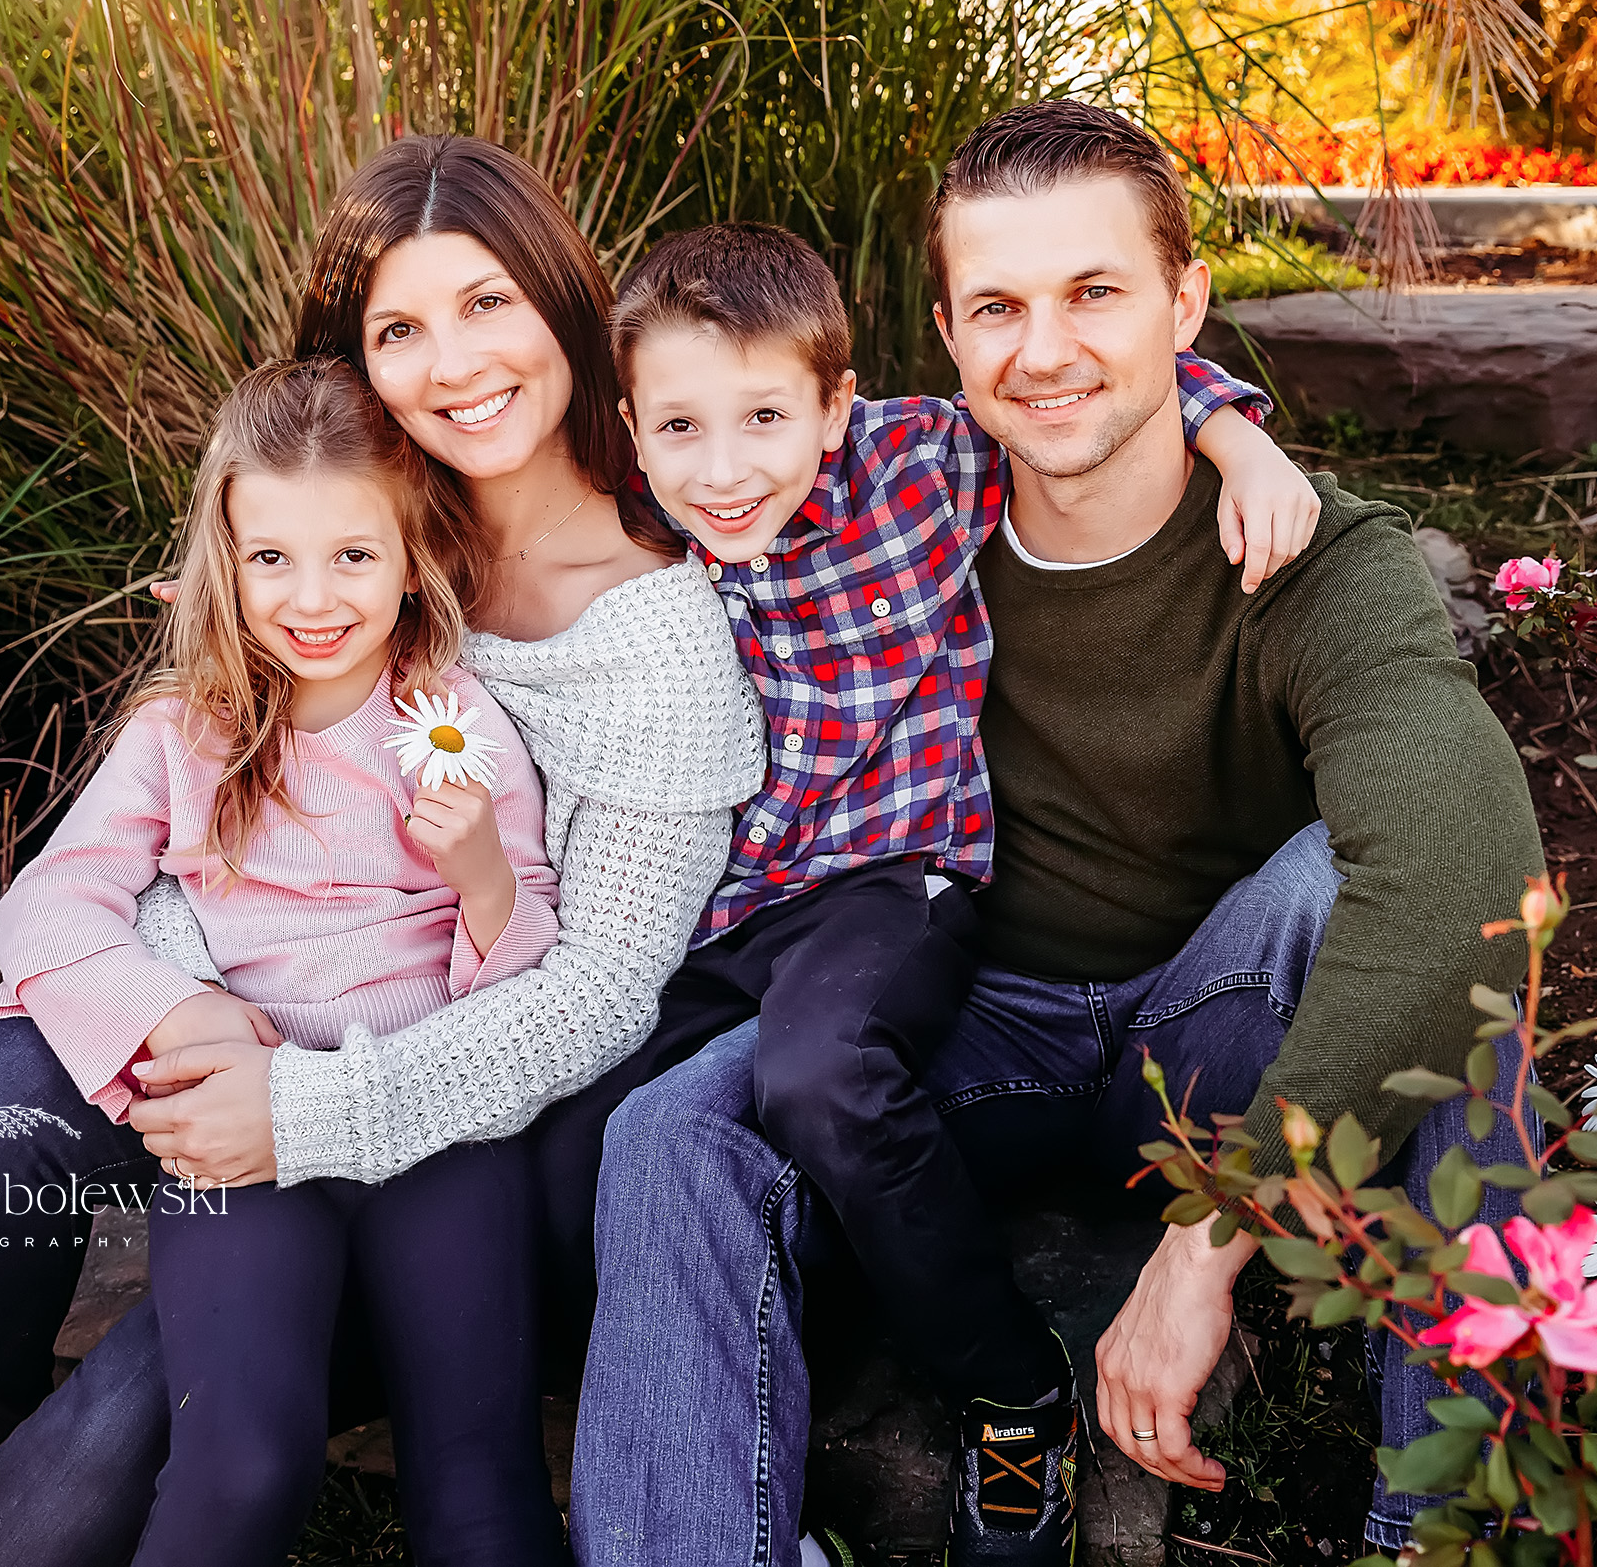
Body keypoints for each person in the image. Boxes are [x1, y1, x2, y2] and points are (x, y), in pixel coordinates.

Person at [570, 100, 1546, 1566]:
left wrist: (1215, 1229)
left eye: (1095, 292)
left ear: (1185, 303)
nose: (1046, 349)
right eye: (998, 308)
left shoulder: (1310, 554)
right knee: (672, 1131)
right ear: (949, 344)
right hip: (974, 1038)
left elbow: (1478, 869)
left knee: (1429, 920)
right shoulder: (882, 505)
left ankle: (1448, 1537)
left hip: (1220, 1037)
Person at [0, 135, 765, 1566]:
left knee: (170, 1415)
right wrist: (204, 1019)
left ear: (565, 307)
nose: (453, 360)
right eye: (399, 328)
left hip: (455, 1112)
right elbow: (176, 835)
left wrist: (300, 1102)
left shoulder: (654, 635)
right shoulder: (323, 538)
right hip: (226, 1044)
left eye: (488, 304)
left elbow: (586, 991)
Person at [605, 219, 1317, 1560]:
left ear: (835, 407)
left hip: (894, 879)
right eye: (680, 427)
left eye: (763, 416)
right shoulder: (639, 526)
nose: (722, 466)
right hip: (734, 906)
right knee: (606, 1118)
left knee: (820, 1077)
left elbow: (1095, 405)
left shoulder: (915, 463)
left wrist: (1243, 438)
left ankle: (1008, 1385)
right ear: (634, 433)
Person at [0, 356, 568, 1565]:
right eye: (272, 559)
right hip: (245, 1145)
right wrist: (175, 1015)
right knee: (242, 1465)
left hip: (430, 1132)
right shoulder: (185, 728)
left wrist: (479, 877)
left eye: (353, 555)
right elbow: (48, 907)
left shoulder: (455, 723)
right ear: (226, 556)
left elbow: (528, 987)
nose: (313, 597)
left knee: (479, 1497)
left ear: (414, 557)